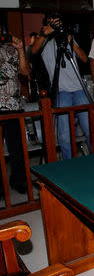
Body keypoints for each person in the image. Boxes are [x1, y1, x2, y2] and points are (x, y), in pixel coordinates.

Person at [31, 13, 94, 160]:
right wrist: (44, 33)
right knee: (65, 133)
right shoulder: (45, 43)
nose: (55, 26)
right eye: (51, 23)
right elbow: (33, 50)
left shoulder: (69, 39)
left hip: (79, 89)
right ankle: (69, 163)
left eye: (57, 22)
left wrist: (71, 42)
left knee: (89, 128)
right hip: (61, 92)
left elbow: (84, 58)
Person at [0, 29, 31, 194]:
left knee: (17, 148)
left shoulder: (11, 49)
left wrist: (20, 48)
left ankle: (19, 181)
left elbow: (26, 72)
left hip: (13, 106)